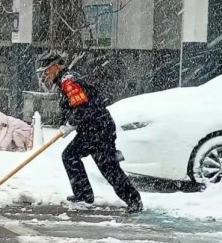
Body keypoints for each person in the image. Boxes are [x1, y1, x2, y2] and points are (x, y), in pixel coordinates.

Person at [35, 53, 143, 213]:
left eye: (47, 69)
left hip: (98, 129)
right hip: (92, 128)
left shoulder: (69, 82)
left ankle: (133, 200)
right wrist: (70, 123)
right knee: (71, 156)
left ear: (58, 66)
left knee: (108, 167)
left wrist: (70, 125)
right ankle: (84, 194)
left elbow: (83, 107)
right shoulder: (66, 80)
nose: (46, 74)